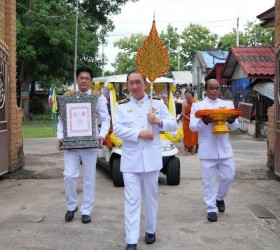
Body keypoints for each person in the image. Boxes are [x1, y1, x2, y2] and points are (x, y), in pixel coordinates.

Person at [114, 71, 177, 250]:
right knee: (132, 199)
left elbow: (172, 124)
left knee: (150, 197)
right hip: (131, 160)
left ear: (145, 84)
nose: (134, 87)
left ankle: (150, 229)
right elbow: (118, 129)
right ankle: (131, 240)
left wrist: (158, 121)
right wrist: (140, 133)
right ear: (127, 85)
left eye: (138, 82)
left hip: (151, 158)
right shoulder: (121, 106)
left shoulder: (156, 103)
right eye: (131, 83)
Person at [57, 66, 110, 224]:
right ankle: (71, 206)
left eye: (87, 78)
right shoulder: (68, 97)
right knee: (69, 175)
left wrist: (101, 136)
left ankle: (86, 210)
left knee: (89, 178)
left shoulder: (98, 97)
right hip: (71, 144)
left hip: (90, 144)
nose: (84, 81)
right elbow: (62, 121)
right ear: (77, 79)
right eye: (81, 78)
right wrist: (60, 137)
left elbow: (106, 119)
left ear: (91, 81)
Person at [189, 79, 238, 223]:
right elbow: (192, 127)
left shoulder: (228, 104)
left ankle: (219, 197)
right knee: (208, 181)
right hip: (207, 150)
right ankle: (211, 209)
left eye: (217, 88)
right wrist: (204, 121)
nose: (214, 91)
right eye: (211, 88)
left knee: (229, 176)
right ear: (206, 89)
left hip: (225, 149)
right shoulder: (198, 105)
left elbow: (234, 128)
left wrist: (231, 120)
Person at [181, 91, 198, 155]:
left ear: (193, 97)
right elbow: (183, 114)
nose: (188, 99)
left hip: (194, 121)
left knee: (193, 135)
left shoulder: (195, 103)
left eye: (189, 98)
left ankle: (192, 149)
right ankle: (186, 149)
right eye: (186, 98)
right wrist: (190, 119)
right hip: (186, 121)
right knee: (186, 135)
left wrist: (194, 119)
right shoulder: (184, 104)